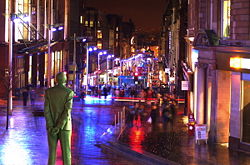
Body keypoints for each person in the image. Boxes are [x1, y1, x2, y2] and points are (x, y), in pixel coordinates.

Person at [44, 72, 74, 165]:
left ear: (56, 80)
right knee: (66, 153)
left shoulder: (48, 92)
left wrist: (51, 125)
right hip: (65, 127)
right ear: (65, 80)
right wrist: (59, 126)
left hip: (51, 127)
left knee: (52, 153)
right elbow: (66, 112)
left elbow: (46, 111)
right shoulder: (69, 93)